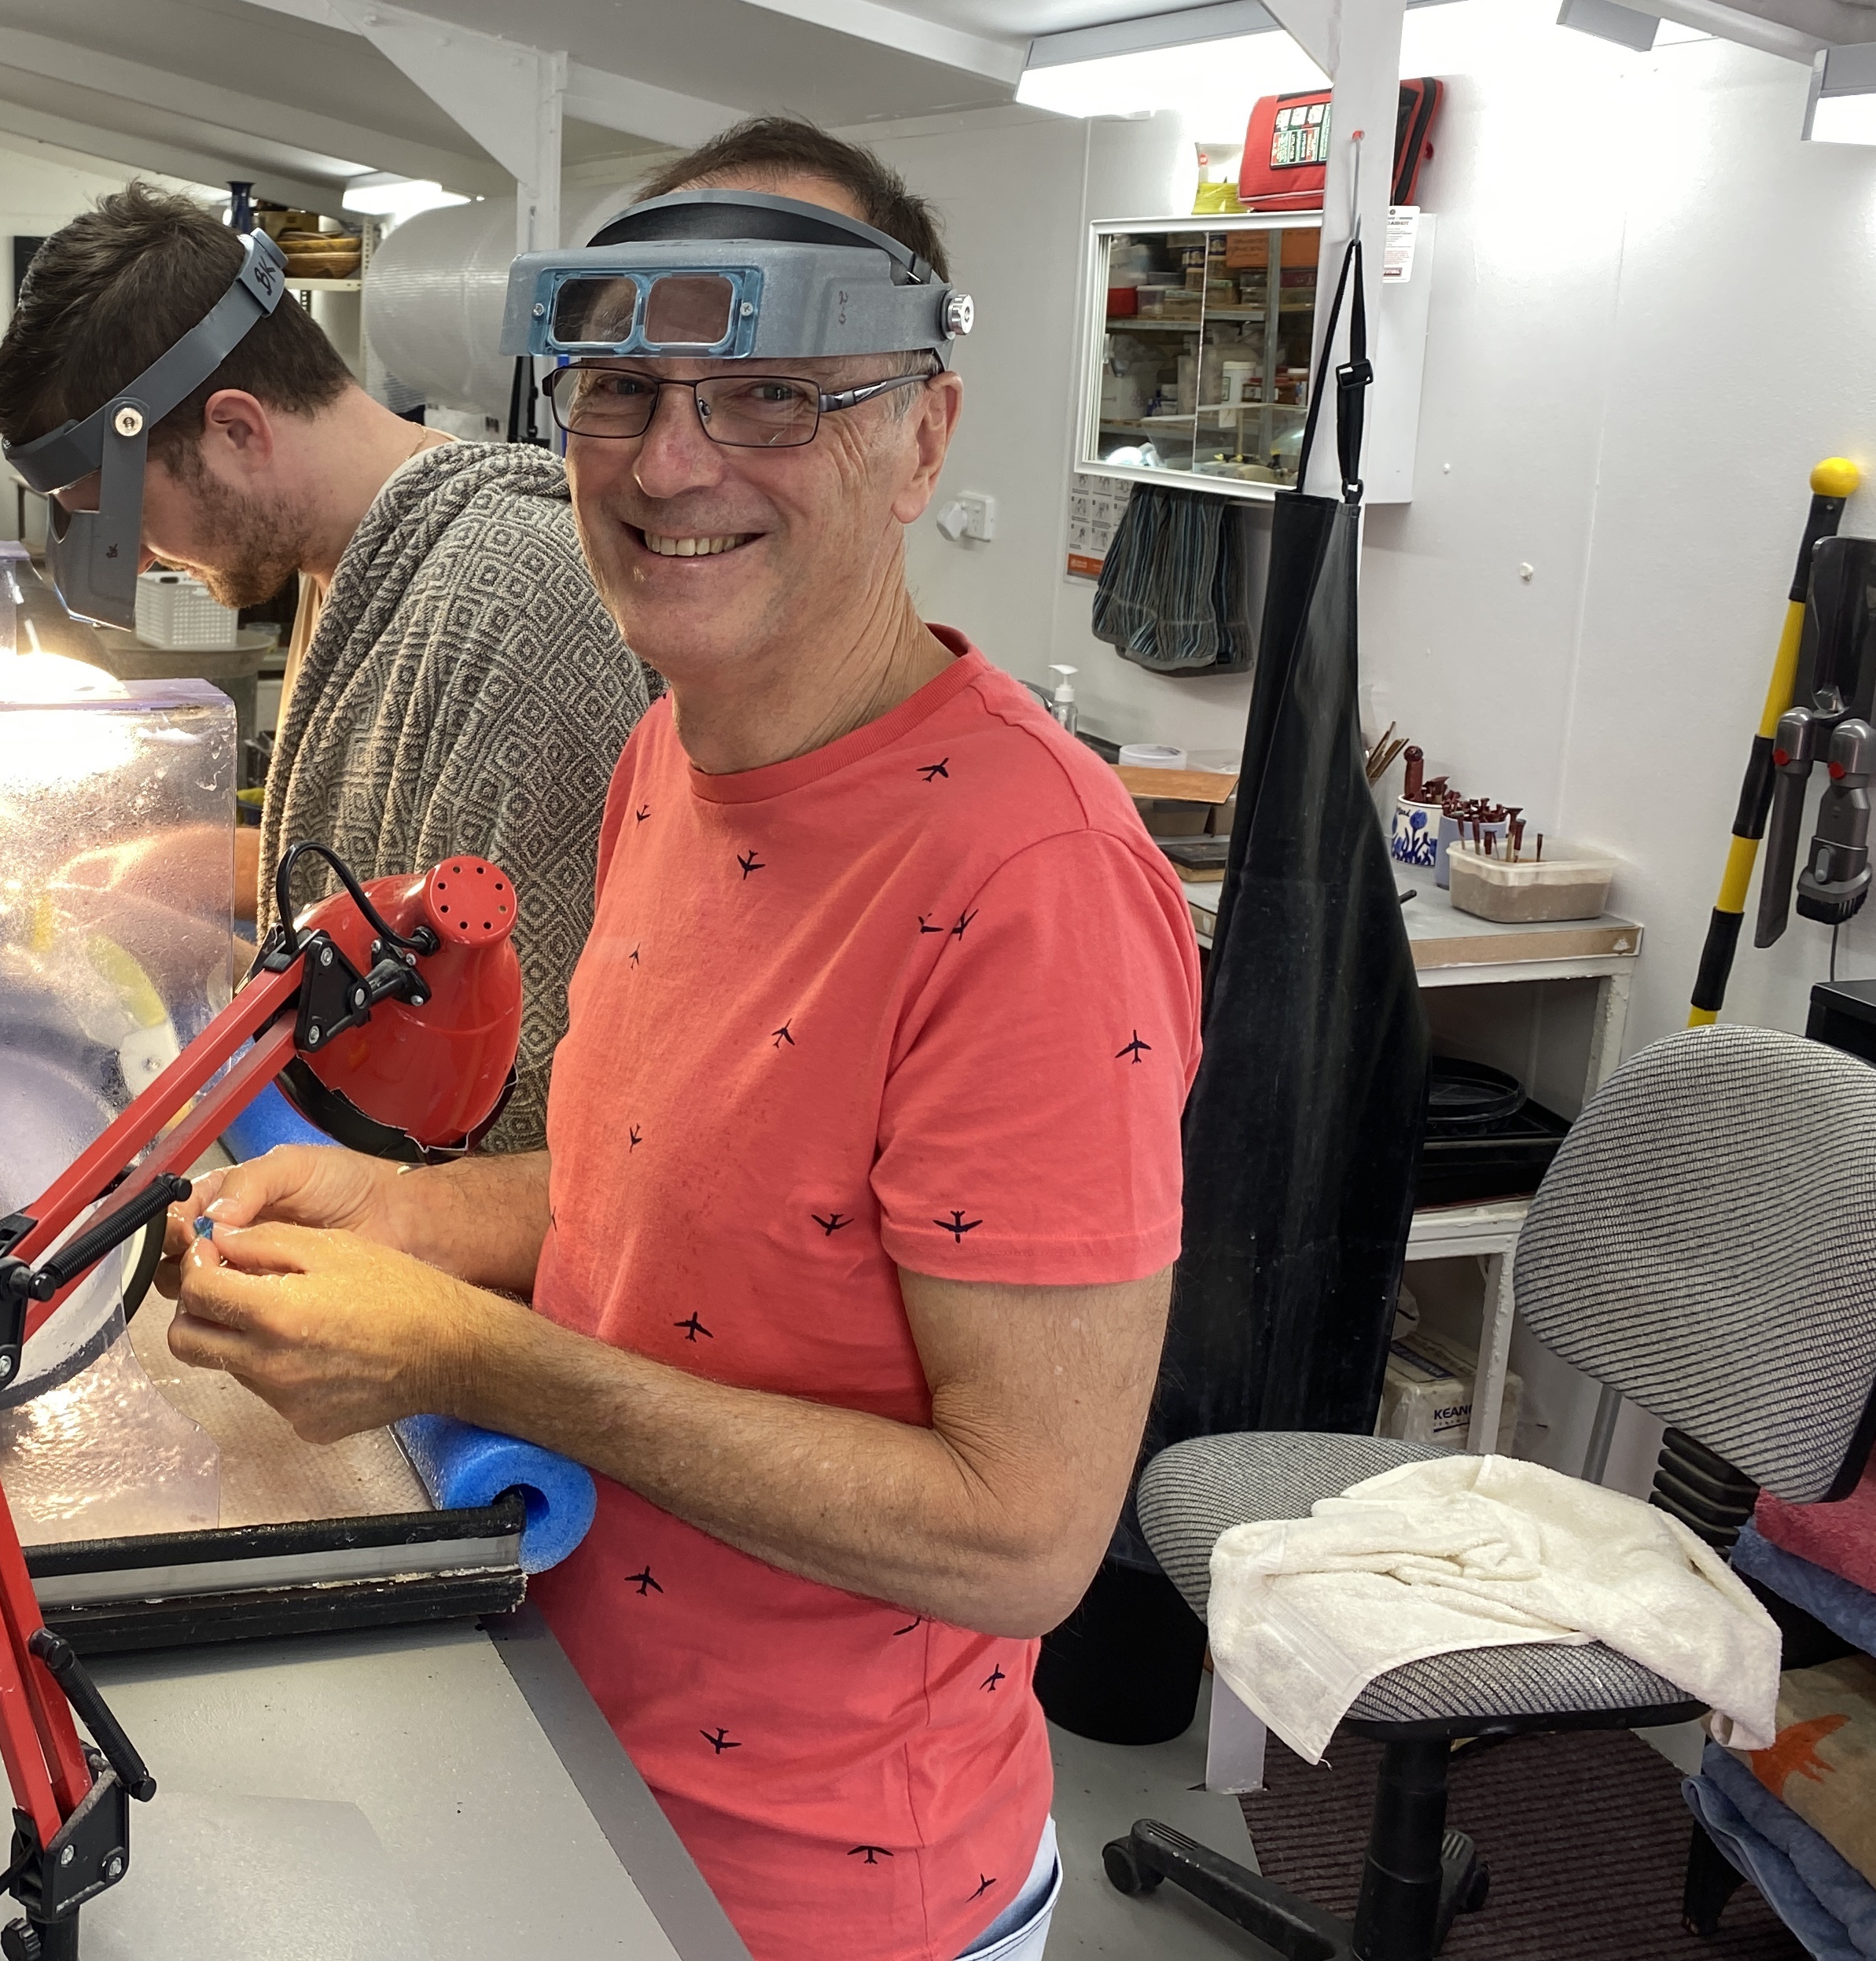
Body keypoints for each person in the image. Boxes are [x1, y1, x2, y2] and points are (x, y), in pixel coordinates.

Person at [160, 118, 1200, 1961]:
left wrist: (477, 1361)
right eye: (622, 388)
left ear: (920, 442)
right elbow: (673, 1196)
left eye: (774, 396)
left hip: (824, 1893)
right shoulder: (669, 745)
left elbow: (1024, 1536)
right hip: (568, 1745)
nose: (669, 461)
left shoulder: (1029, 878)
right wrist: (415, 1224)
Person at [0, 183, 651, 1155]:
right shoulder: (341, 569)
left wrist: (222, 963)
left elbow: (513, 1098)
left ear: (239, 431)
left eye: (130, 516)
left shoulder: (515, 596)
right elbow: (405, 883)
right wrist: (208, 867)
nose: (151, 556)